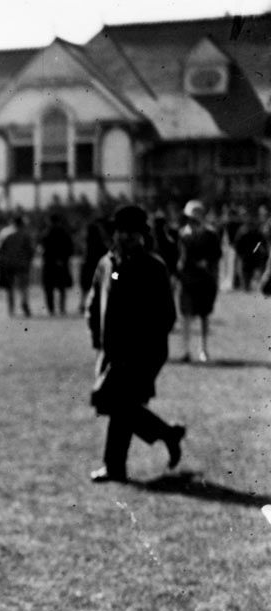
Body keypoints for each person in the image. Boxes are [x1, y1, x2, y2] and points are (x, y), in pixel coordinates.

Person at [86, 204, 184, 483]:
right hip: (112, 351)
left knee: (117, 404)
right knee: (117, 405)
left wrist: (142, 350)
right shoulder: (106, 264)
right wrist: (97, 338)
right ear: (114, 234)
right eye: (121, 232)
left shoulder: (153, 267)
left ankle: (115, 466)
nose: (126, 238)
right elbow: (94, 304)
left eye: (133, 233)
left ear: (143, 235)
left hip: (143, 353)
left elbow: (166, 315)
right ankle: (167, 434)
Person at [176, 200, 221, 363]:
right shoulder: (182, 235)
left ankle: (203, 349)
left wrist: (207, 264)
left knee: (204, 315)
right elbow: (177, 258)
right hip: (187, 280)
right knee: (186, 316)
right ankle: (186, 350)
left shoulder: (210, 235)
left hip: (204, 280)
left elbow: (216, 257)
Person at [0, 213, 36, 317]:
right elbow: (31, 249)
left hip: (8, 264)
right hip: (22, 263)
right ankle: (24, 302)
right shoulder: (25, 234)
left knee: (9, 287)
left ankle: (11, 308)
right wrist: (29, 260)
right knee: (23, 286)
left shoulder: (5, 233)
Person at [40, 213, 75, 316]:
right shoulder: (64, 232)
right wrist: (63, 259)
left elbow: (43, 248)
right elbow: (70, 248)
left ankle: (51, 309)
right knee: (62, 287)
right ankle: (62, 308)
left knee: (49, 288)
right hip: (61, 263)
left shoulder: (46, 233)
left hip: (49, 264)